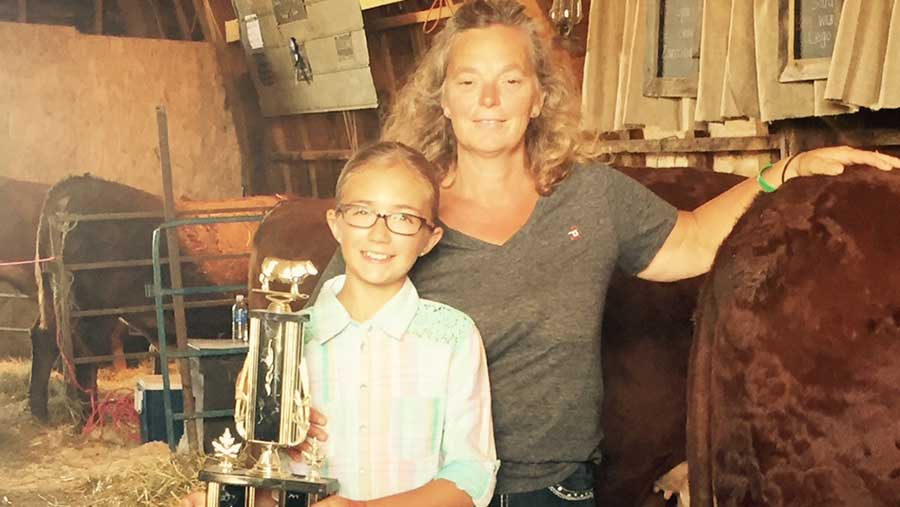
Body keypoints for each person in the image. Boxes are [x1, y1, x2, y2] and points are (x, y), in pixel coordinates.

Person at [308, 1, 900, 506]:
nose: (489, 98)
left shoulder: (590, 197)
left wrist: (785, 171)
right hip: (424, 490)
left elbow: (692, 239)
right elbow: (321, 332)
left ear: (540, 97)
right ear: (442, 98)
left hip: (555, 489)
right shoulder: (403, 213)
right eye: (467, 81)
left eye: (511, 80)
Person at [181, 142, 498, 507]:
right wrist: (229, 499)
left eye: (404, 218)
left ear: (430, 239)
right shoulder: (286, 339)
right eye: (362, 212)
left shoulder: (452, 338)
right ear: (336, 224)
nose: (380, 234)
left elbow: (471, 476)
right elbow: (275, 477)